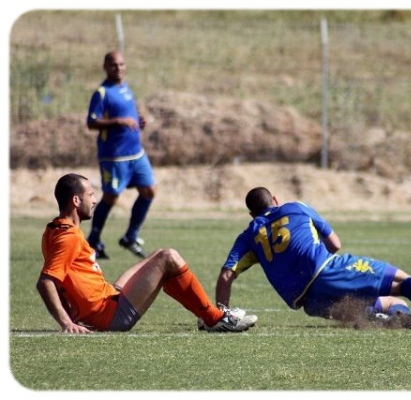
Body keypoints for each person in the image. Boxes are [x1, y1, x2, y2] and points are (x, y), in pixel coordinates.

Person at [211, 187, 411, 330]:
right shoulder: (296, 207)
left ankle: (387, 317)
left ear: (251, 214)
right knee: (401, 280)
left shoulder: (249, 236)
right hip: (328, 272)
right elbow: (335, 244)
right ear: (276, 200)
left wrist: (220, 314)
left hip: (307, 302)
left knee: (390, 304)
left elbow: (225, 276)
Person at [36, 173, 257, 334]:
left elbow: (62, 281)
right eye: (91, 195)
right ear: (76, 201)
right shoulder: (69, 237)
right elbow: (46, 281)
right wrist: (67, 323)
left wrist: (74, 315)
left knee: (158, 254)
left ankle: (205, 314)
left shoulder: (53, 229)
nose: (95, 200)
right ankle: (214, 318)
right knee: (168, 257)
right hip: (108, 315)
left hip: (107, 299)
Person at [86, 51, 154, 259]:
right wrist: (118, 122)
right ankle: (93, 240)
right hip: (114, 156)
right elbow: (91, 122)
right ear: (105, 67)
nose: (119, 68)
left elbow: (127, 114)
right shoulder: (102, 93)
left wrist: (138, 121)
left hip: (136, 153)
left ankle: (130, 237)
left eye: (122, 64)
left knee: (149, 191)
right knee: (111, 196)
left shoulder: (125, 88)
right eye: (114, 65)